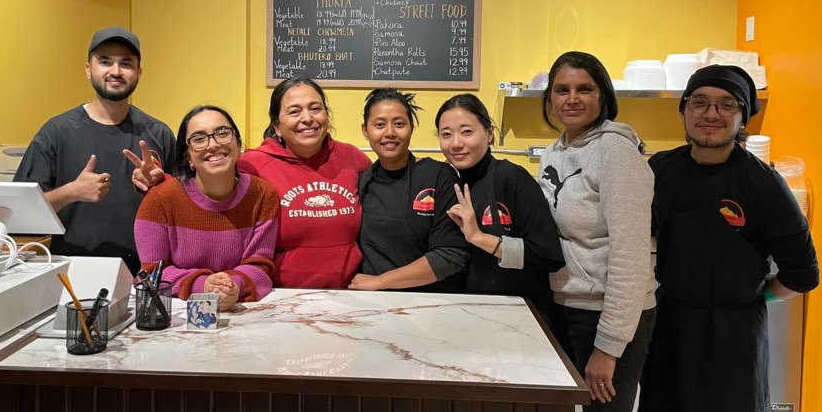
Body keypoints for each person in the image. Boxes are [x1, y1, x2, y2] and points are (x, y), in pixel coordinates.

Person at [638, 65, 819, 412]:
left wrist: (755, 299)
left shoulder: (763, 184)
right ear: (684, 111)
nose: (710, 114)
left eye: (726, 105)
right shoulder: (659, 170)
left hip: (735, 336)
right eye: (699, 102)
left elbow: (803, 273)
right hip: (669, 328)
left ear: (742, 117)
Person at [132, 76, 371, 289]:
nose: (307, 118)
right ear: (276, 125)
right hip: (282, 295)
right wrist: (158, 183)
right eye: (295, 111)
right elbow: (206, 176)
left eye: (315, 108)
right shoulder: (253, 164)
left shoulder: (354, 159)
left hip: (348, 294)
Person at [538, 51, 657, 412]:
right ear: (551, 100)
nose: (572, 98)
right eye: (562, 90)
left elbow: (631, 255)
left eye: (584, 89)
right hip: (567, 305)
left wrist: (608, 346)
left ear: (602, 96)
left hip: (608, 316)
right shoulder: (555, 152)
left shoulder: (616, 152)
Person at [14, 26, 176, 275]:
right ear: (89, 69)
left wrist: (161, 185)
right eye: (105, 61)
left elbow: (184, 210)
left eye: (126, 63)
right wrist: (71, 192)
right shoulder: (56, 132)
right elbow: (20, 211)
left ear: (139, 72)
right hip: (71, 273)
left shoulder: (159, 133)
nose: (115, 71)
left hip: (146, 275)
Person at [434, 94, 564, 326]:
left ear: (489, 133)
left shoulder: (511, 178)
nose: (455, 143)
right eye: (446, 134)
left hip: (521, 318)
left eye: (466, 132)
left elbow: (548, 255)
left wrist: (480, 238)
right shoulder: (445, 182)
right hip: (469, 317)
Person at [134, 105, 278, 309]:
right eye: (199, 139)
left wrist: (231, 287)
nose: (213, 145)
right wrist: (202, 286)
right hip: (176, 315)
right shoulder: (159, 200)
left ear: (237, 143)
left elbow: (261, 266)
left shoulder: (262, 195)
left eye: (222, 133)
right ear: (188, 156)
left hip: (243, 315)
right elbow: (150, 273)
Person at [348, 88, 470, 292]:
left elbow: (451, 254)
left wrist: (381, 281)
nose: (389, 133)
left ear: (411, 128)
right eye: (379, 125)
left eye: (399, 124)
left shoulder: (439, 176)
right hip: (375, 303)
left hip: (433, 304)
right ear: (365, 130)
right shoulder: (363, 181)